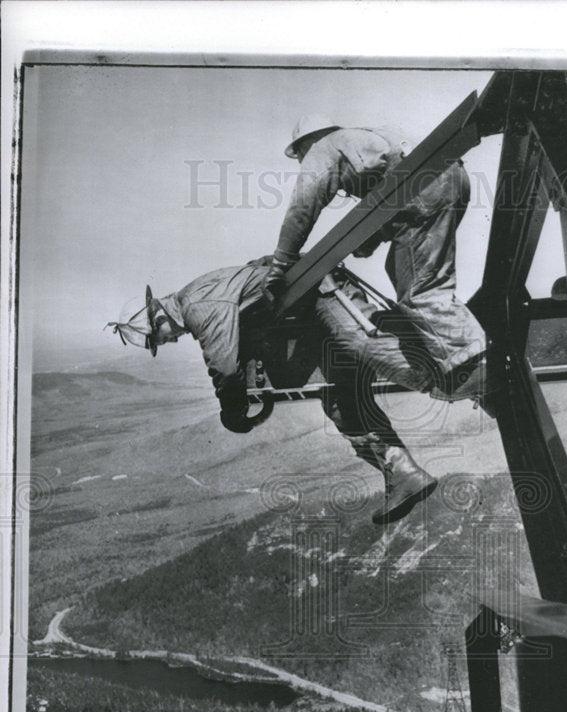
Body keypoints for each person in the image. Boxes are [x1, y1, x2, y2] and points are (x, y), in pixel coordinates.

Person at [107, 261, 438, 525]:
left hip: (323, 296)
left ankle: (449, 375)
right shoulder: (196, 299)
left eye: (158, 337)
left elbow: (223, 363)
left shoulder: (196, 306)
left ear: (158, 314)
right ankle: (404, 474)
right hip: (312, 310)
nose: (167, 341)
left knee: (383, 356)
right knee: (340, 402)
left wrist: (232, 409)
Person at [261, 115, 488, 387]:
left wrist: (281, 263)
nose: (300, 161)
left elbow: (302, 207)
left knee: (420, 290)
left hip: (423, 191)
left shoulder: (323, 147)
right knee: (401, 269)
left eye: (298, 154)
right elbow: (391, 180)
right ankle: (444, 347)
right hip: (451, 179)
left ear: (305, 143)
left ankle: (473, 363)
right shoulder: (365, 136)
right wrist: (369, 240)